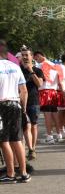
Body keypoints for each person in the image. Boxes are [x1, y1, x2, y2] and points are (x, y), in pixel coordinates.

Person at [0, 39, 30, 183]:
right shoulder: (15, 66)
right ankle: (24, 173)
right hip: (15, 104)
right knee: (17, 139)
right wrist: (23, 109)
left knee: (3, 140)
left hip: (1, 106)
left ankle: (10, 174)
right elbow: (23, 90)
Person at [19, 47, 43, 160]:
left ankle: (32, 148)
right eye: (22, 55)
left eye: (26, 55)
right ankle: (31, 149)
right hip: (20, 101)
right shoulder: (17, 69)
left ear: (31, 57)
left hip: (33, 101)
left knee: (33, 125)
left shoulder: (38, 70)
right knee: (25, 125)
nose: (24, 57)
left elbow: (39, 84)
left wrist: (31, 71)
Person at [33, 51, 63, 143]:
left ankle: (49, 136)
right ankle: (59, 135)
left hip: (45, 91)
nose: (36, 60)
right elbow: (60, 81)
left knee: (47, 115)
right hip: (54, 91)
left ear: (39, 56)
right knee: (55, 113)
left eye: (36, 58)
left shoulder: (40, 66)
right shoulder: (56, 66)